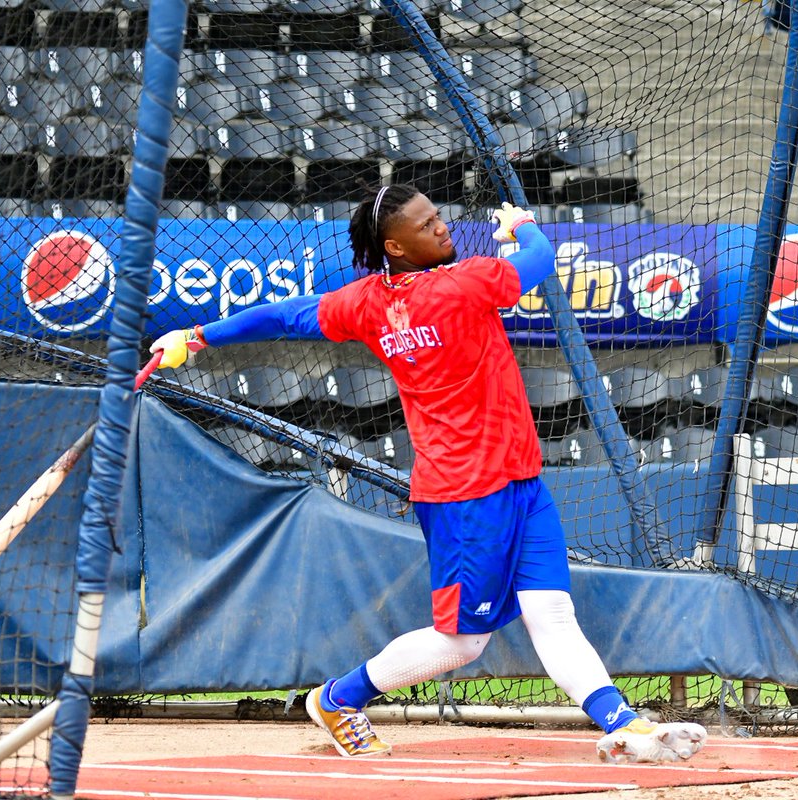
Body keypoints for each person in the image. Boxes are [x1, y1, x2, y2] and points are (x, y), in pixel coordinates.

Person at [149, 184, 708, 764]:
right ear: (395, 245)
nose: (441, 228)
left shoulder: (368, 301)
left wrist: (196, 337)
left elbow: (289, 314)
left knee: (551, 610)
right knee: (463, 643)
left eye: (438, 217)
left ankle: (622, 722)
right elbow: (540, 261)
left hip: (519, 481)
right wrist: (521, 227)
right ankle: (339, 698)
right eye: (425, 225)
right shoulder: (461, 284)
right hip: (464, 494)